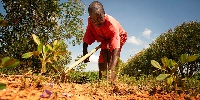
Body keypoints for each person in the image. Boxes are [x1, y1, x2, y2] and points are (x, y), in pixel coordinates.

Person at [83, 1, 127, 83]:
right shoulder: (90, 21)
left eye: (100, 18)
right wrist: (85, 53)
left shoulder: (111, 24)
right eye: (94, 20)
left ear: (104, 13)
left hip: (119, 36)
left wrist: (111, 69)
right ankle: (102, 80)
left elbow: (115, 48)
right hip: (105, 39)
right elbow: (87, 36)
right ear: (90, 18)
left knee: (111, 56)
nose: (97, 22)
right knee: (103, 57)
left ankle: (112, 79)